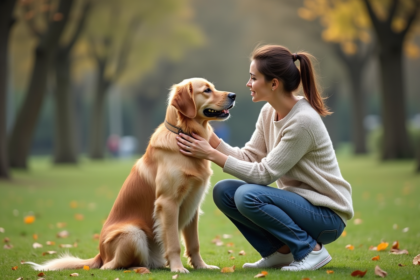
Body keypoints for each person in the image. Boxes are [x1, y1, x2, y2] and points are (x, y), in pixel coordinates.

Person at [176, 45, 353, 271]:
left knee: (248, 195)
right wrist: (211, 140)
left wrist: (211, 154)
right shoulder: (269, 111)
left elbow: (262, 175)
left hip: (327, 216)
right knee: (225, 191)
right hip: (299, 205)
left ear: (274, 83)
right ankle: (279, 253)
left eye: (253, 78)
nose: (248, 84)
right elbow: (250, 156)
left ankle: (311, 250)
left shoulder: (302, 121)